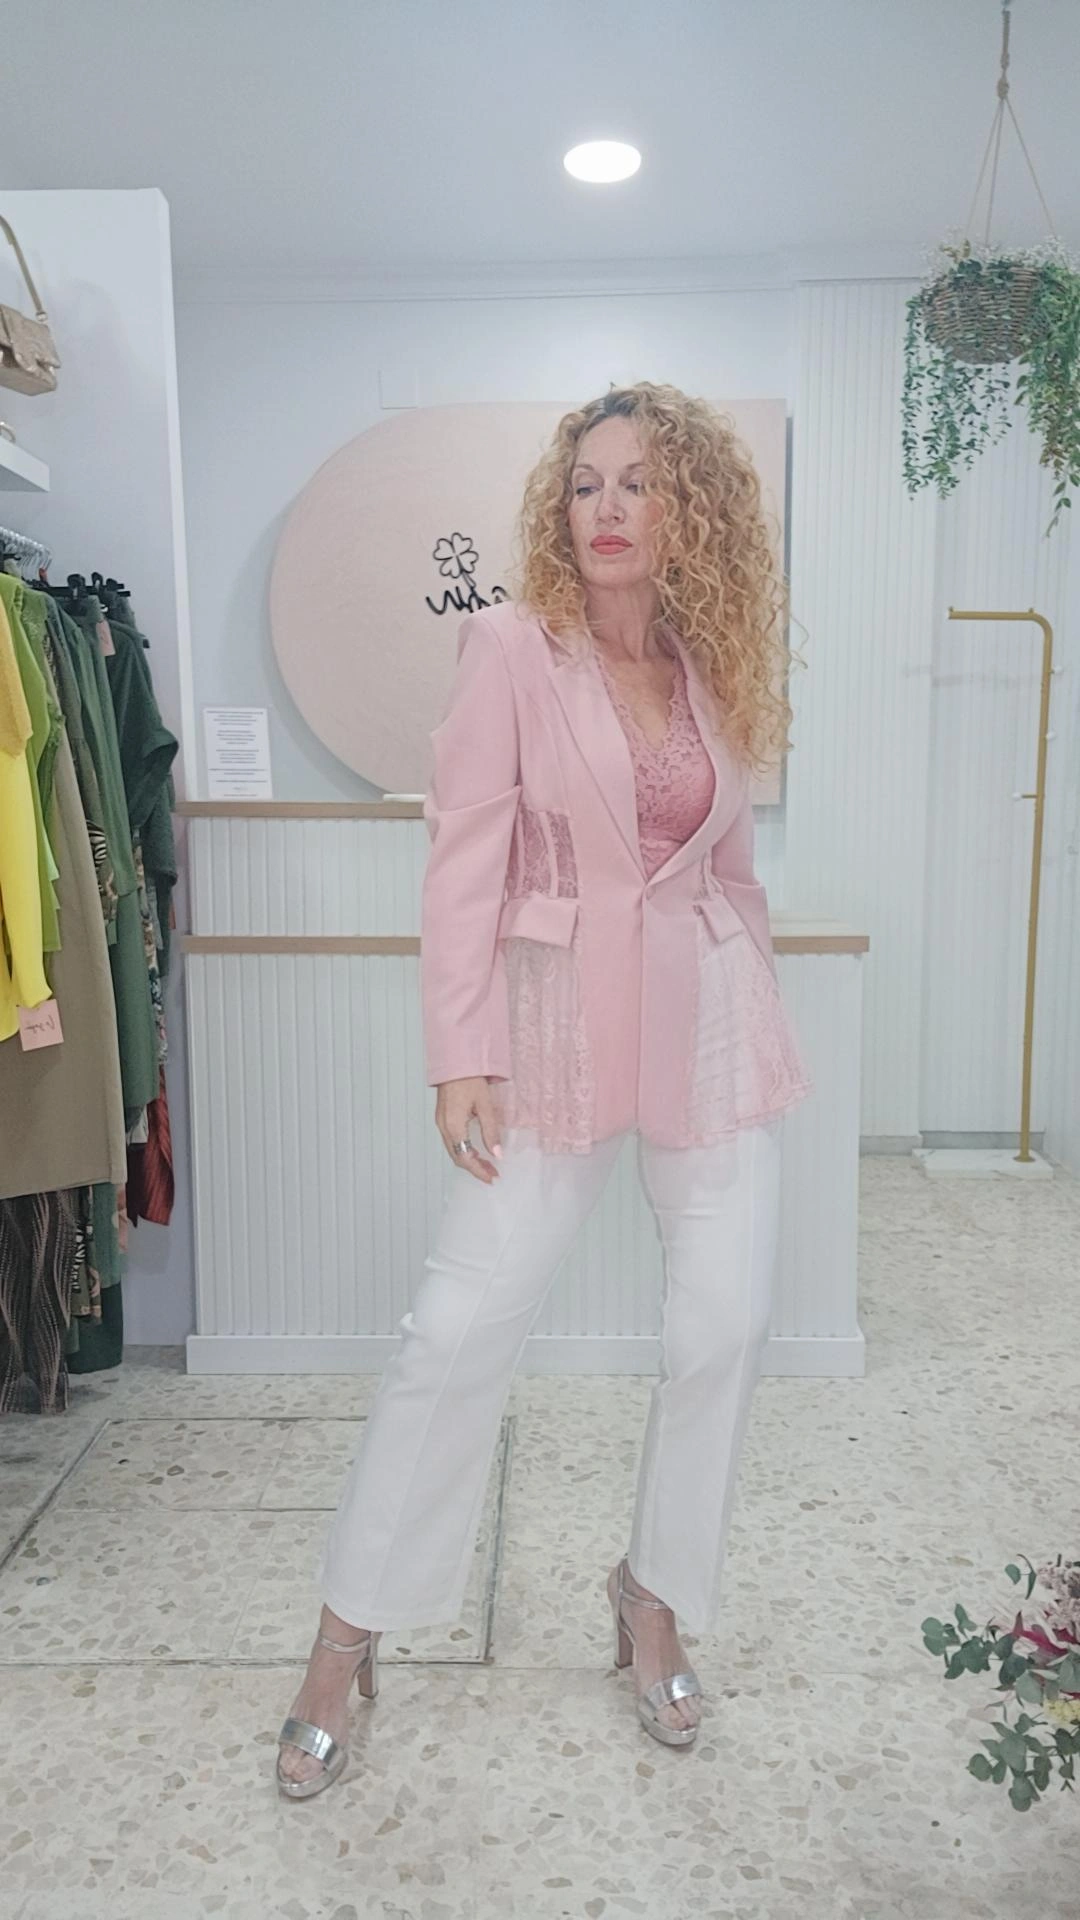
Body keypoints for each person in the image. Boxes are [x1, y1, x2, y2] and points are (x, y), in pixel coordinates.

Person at [276, 381, 813, 1797]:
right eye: (585, 485)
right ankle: (346, 1636)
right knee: (456, 1330)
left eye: (638, 482)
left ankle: (654, 1598)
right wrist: (462, 1050)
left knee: (725, 1321)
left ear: (689, 508)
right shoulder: (512, 647)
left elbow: (730, 869)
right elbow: (463, 855)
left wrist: (752, 986)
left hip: (709, 1016)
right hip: (552, 1023)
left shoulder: (707, 664)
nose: (606, 509)